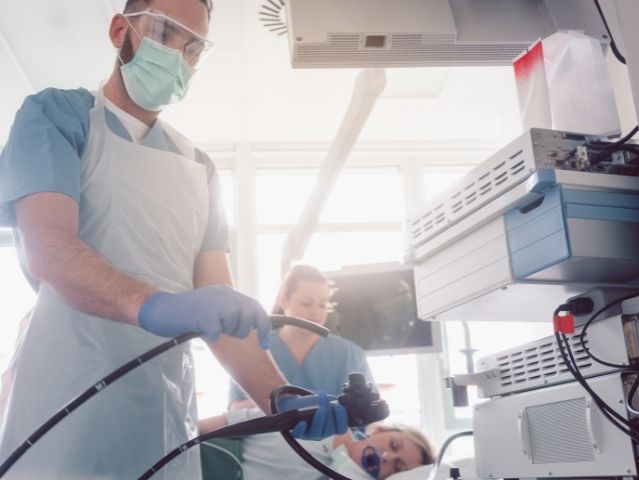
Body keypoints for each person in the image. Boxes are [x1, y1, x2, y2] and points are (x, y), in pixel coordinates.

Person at [0, 2, 345, 479]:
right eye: (164, 31)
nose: (178, 54)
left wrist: (277, 395)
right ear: (120, 30)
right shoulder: (58, 116)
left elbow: (221, 316)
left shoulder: (199, 169)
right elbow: (49, 251)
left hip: (163, 416)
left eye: (194, 46)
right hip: (62, 404)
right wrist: (155, 306)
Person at [229, 264, 377, 410]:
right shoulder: (254, 347)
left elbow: (370, 413)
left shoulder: (349, 354)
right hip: (266, 434)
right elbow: (234, 409)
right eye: (307, 303)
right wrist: (268, 407)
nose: (316, 313)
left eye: (322, 305)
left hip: (340, 435)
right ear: (283, 300)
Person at [199, 408, 437, 480]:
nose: (386, 457)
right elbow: (236, 419)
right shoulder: (315, 420)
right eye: (394, 446)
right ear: (381, 430)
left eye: (396, 467)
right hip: (202, 456)